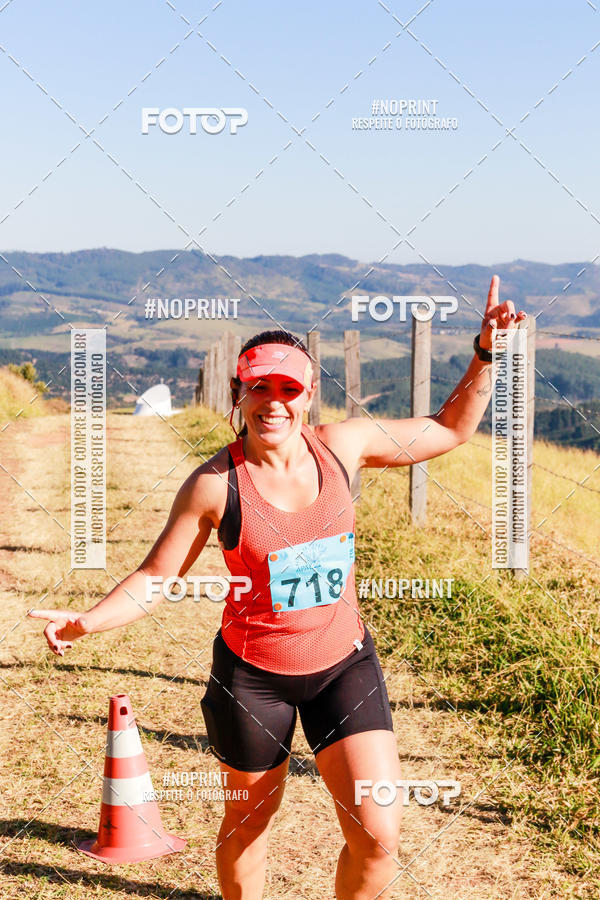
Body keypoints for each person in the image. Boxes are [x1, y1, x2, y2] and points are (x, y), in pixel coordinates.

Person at [30, 276, 526, 899]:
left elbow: (449, 429)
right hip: (252, 679)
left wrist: (486, 352)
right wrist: (87, 621)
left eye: (288, 388)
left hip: (343, 665)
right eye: (259, 386)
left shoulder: (343, 447)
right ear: (239, 392)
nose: (274, 402)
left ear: (310, 395)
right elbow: (157, 577)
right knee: (248, 821)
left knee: (379, 837)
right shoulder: (215, 485)